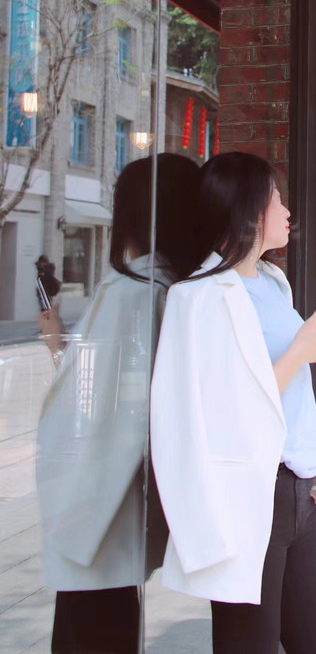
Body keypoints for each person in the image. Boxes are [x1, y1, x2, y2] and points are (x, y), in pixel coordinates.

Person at [150, 151, 316, 654]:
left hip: (295, 492)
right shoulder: (197, 297)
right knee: (248, 645)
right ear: (247, 208)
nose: (287, 210)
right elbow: (213, 410)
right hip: (246, 499)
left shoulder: (273, 283)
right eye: (276, 197)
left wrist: (313, 463)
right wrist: (300, 352)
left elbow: (282, 399)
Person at [37, 154, 201, 654]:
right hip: (121, 500)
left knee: (91, 627)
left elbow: (99, 405)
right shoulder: (172, 287)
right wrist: (60, 345)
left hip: (100, 499)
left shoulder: (133, 290)